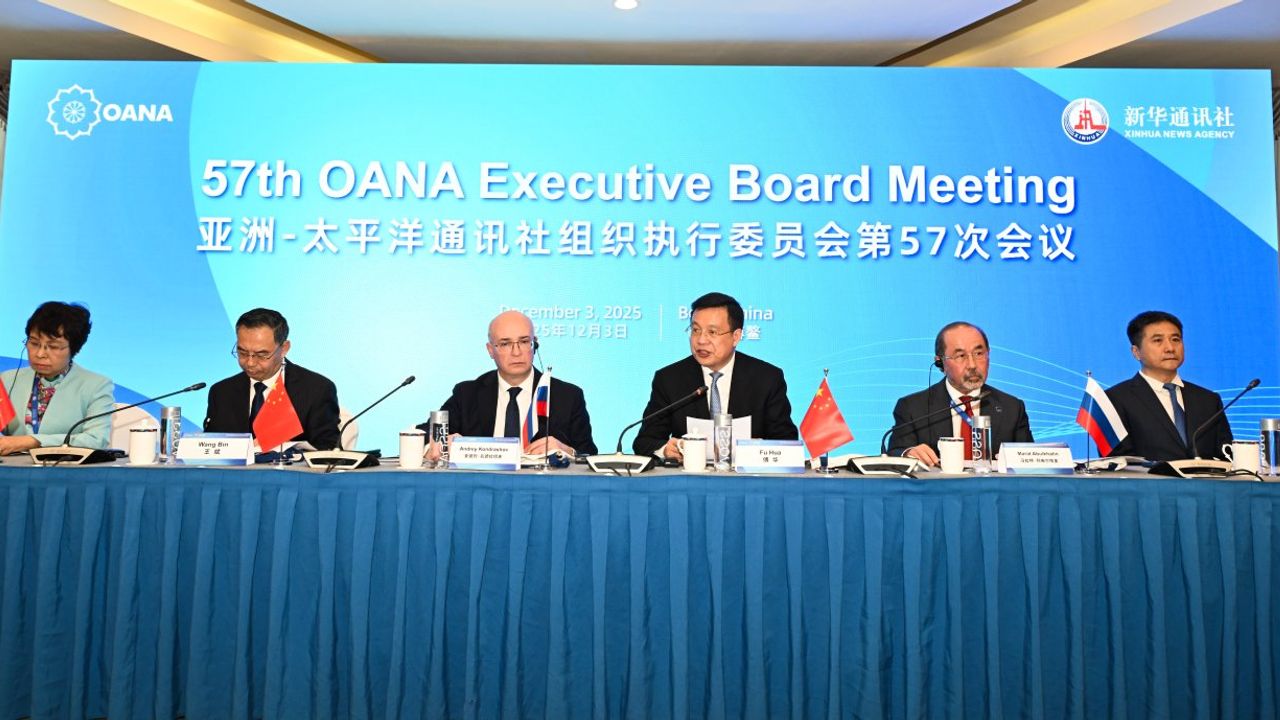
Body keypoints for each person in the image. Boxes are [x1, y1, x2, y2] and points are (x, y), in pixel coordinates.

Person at [633, 291, 797, 460]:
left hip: (747, 475)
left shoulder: (767, 378)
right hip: (689, 475)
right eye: (695, 330)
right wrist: (665, 450)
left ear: (736, 337)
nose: (701, 340)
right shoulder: (669, 379)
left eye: (712, 332)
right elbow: (644, 442)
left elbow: (787, 442)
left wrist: (760, 449)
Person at [422, 310, 596, 457]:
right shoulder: (467, 393)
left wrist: (567, 451)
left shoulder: (567, 396)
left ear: (534, 345)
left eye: (524, 342)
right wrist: (438, 444)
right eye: (505, 344)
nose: (516, 352)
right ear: (491, 350)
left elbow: (589, 455)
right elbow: (426, 433)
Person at [888, 321, 1033, 466]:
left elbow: (1031, 463)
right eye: (961, 356)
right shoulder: (912, 408)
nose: (972, 365)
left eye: (979, 353)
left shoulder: (1012, 408)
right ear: (940, 362)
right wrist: (908, 453)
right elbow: (895, 453)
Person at [203, 308, 341, 451]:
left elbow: (328, 452)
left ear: (284, 349)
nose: (250, 362)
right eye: (242, 352)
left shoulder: (317, 390)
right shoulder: (221, 392)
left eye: (261, 355)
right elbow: (211, 450)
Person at [1105, 310, 1230, 461]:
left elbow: (1227, 455)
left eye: (1176, 339)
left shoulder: (1208, 400)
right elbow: (1119, 462)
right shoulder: (1115, 399)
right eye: (1158, 340)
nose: (1170, 348)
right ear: (1136, 352)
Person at [0, 302, 114, 454]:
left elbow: (96, 440)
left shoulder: (96, 386)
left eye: (53, 347)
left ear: (74, 349)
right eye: (34, 343)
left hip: (64, 467)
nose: (40, 354)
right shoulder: (7, 380)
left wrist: (34, 441)